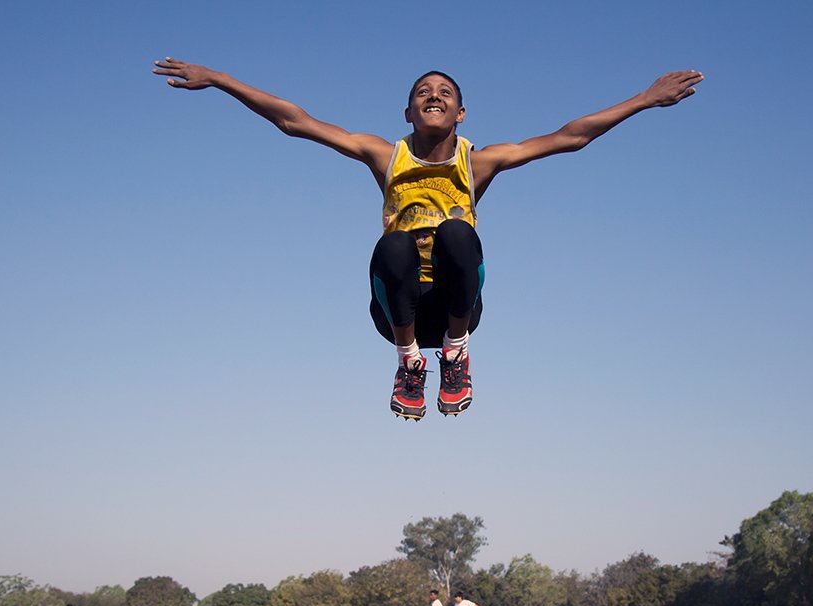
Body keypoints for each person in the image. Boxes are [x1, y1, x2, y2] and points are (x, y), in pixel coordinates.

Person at [152, 58, 703, 420]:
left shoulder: (479, 161)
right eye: (422, 92)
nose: (432, 96)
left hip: (457, 304)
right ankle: (410, 364)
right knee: (394, 245)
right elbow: (297, 122)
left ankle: (457, 355)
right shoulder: (383, 154)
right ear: (408, 112)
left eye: (444, 92)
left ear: (461, 113)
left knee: (457, 233)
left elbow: (570, 136)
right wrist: (221, 81)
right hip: (399, 306)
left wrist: (644, 99)